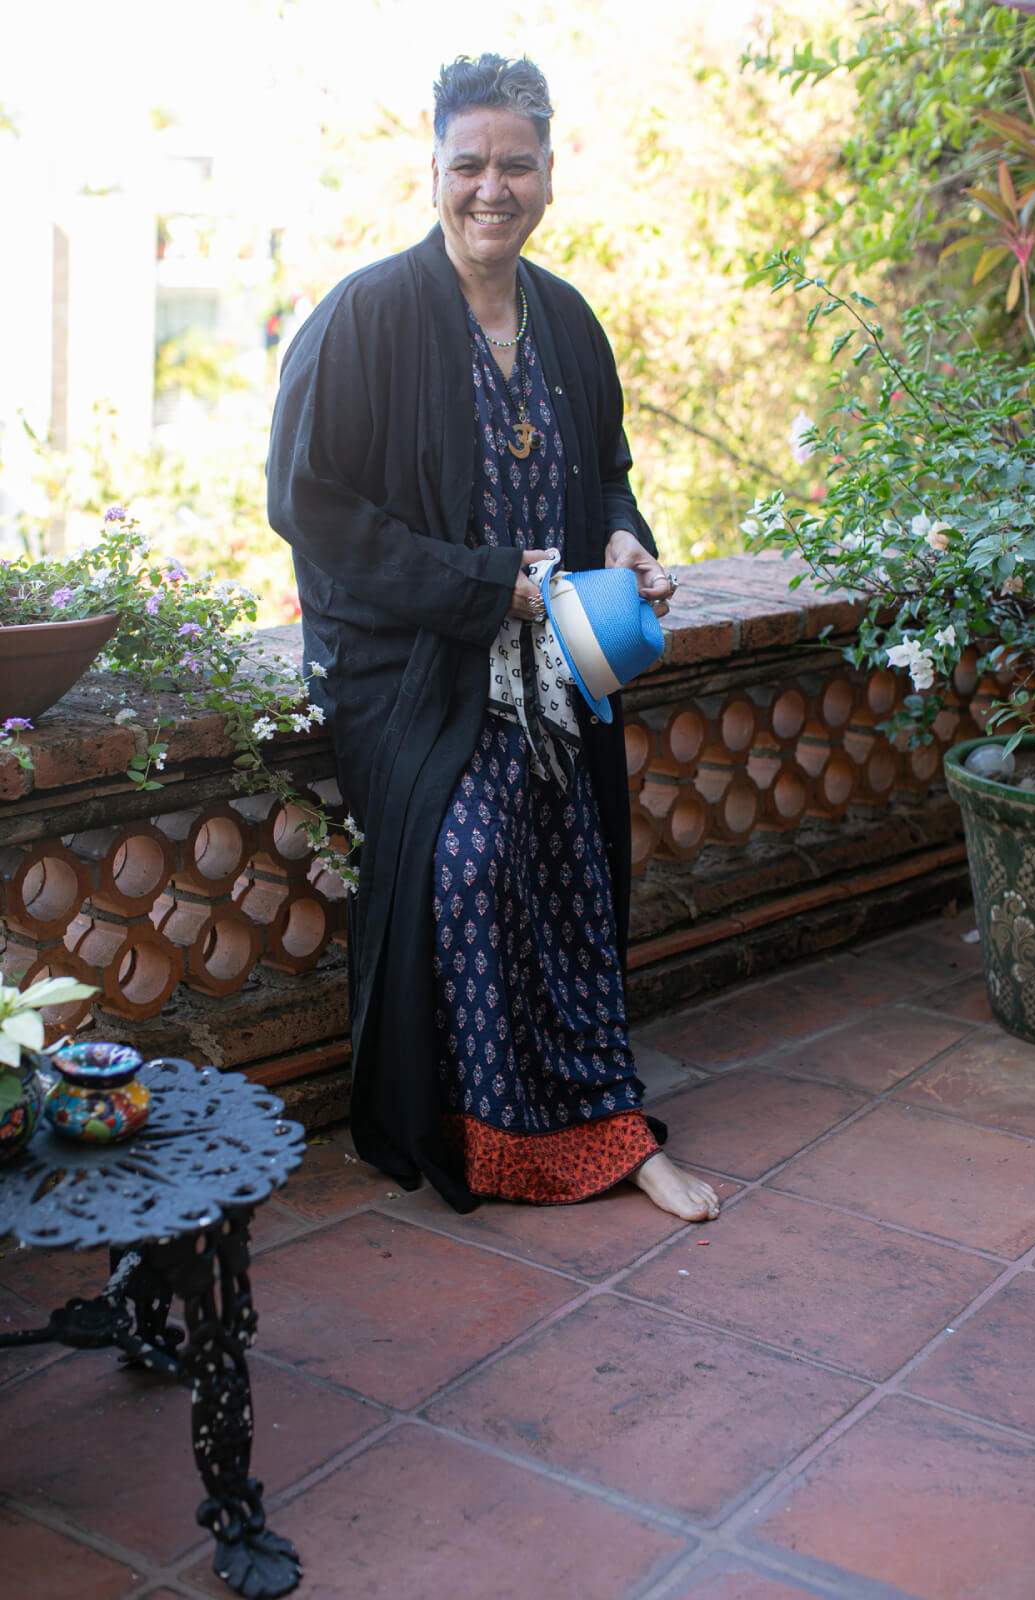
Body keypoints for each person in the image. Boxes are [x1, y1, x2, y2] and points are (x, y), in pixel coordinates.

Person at [267, 53, 719, 1223]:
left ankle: (606, 1121)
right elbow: (310, 507)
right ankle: (489, 1134)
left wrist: (622, 538)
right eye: (467, 164)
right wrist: (485, 588)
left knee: (574, 871)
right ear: (432, 172)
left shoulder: (567, 320)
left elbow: (607, 473)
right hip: (411, 673)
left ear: (548, 174)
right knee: (466, 864)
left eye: (514, 164)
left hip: (556, 667)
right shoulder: (364, 316)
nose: (490, 187)